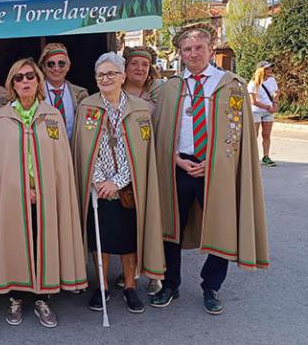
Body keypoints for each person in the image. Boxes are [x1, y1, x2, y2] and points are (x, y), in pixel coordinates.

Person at [150, 23, 269, 315]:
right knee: (170, 228)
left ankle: (211, 286)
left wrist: (214, 162)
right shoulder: (171, 88)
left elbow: (238, 136)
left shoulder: (231, 86)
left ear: (210, 50)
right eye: (187, 49)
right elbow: (162, 132)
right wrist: (175, 157)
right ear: (180, 54)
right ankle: (170, 284)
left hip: (216, 169)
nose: (192, 54)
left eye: (198, 48)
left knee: (221, 225)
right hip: (178, 165)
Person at [0, 58, 87, 328]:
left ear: (38, 81)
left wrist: (43, 188)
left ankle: (43, 297)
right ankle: (16, 297)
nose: (25, 81)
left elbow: (60, 161)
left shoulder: (51, 115)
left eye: (30, 76)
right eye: (19, 78)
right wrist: (21, 190)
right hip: (12, 196)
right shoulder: (2, 118)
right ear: (12, 85)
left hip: (47, 195)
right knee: (15, 242)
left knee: (43, 241)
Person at [72, 52, 165, 314]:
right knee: (99, 237)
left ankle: (130, 287)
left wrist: (118, 181)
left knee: (127, 240)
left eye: (112, 73)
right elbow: (85, 148)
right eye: (101, 74)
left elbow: (140, 151)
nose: (106, 78)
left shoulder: (140, 109)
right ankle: (101, 287)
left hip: (127, 187)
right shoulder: (87, 106)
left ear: (123, 77)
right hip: (98, 188)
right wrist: (100, 180)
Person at [115, 46, 163, 296]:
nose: (139, 69)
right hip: (124, 167)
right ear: (125, 67)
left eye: (144, 64)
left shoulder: (159, 94)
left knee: (152, 219)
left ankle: (155, 272)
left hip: (151, 165)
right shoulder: (115, 94)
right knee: (129, 222)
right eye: (134, 63)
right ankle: (130, 271)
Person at [39, 42, 88, 143]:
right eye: (50, 64)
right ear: (43, 67)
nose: (56, 68)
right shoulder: (35, 94)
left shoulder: (80, 94)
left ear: (68, 66)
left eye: (61, 64)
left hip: (72, 151)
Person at [247, 61, 280, 167]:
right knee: (254, 135)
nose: (270, 70)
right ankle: (251, 157)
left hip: (268, 111)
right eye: (267, 68)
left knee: (266, 135)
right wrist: (267, 107)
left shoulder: (272, 80)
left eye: (270, 68)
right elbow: (253, 101)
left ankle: (266, 156)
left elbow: (276, 92)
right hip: (256, 111)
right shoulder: (253, 83)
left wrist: (275, 103)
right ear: (261, 70)